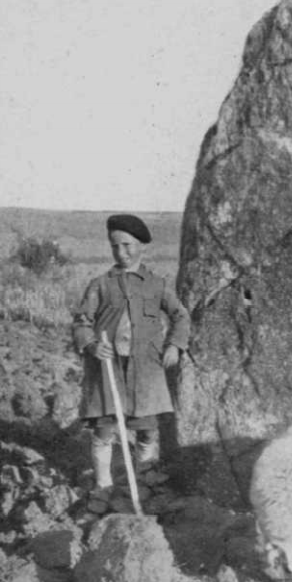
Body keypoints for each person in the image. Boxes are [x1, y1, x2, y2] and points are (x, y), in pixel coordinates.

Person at [73, 213, 190, 500]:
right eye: (115, 246)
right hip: (108, 368)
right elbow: (81, 322)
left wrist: (174, 345)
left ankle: (144, 482)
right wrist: (90, 345)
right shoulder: (100, 284)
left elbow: (180, 315)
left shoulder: (157, 284)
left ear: (143, 247)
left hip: (146, 369)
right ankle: (103, 486)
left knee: (146, 429)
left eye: (128, 245)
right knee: (103, 428)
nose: (121, 252)